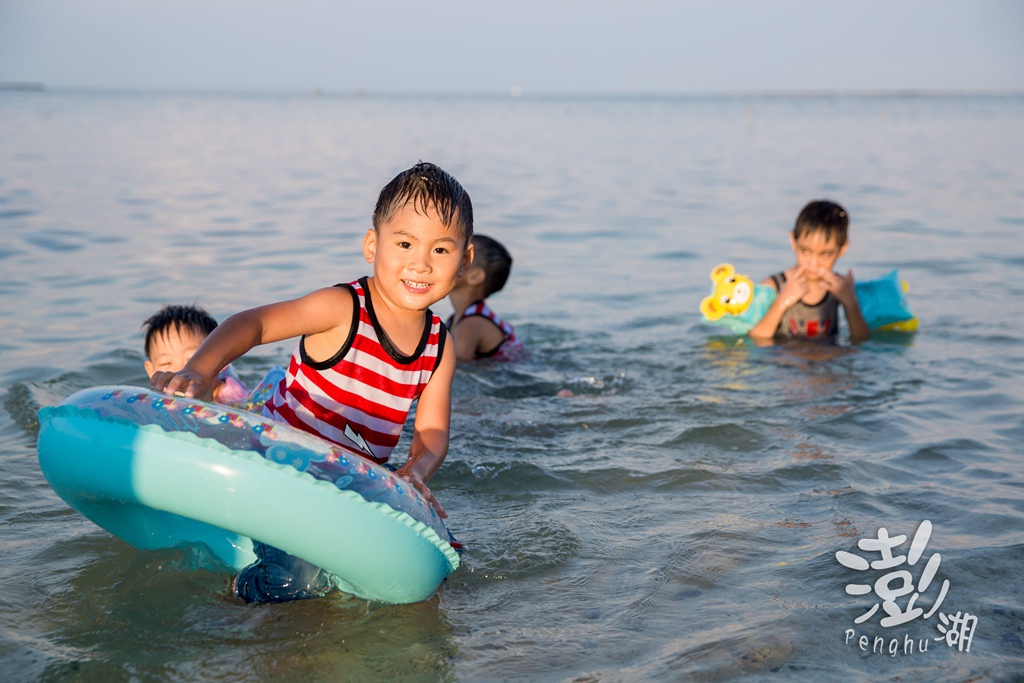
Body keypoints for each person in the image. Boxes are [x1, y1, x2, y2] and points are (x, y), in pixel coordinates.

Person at [150, 162, 474, 604]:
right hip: (279, 463)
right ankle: (232, 599)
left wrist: (414, 472)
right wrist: (201, 369)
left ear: (465, 259)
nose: (420, 262)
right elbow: (255, 323)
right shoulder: (342, 308)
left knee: (442, 567)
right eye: (404, 243)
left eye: (441, 250)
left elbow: (432, 431)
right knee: (293, 582)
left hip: (348, 479)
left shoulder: (440, 345)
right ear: (372, 244)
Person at [749, 200, 870, 341]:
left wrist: (851, 304)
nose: (813, 262)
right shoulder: (774, 285)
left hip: (828, 359)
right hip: (785, 359)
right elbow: (756, 338)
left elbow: (861, 340)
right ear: (793, 241)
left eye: (825, 254)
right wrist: (782, 301)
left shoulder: (839, 288)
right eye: (805, 251)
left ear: (842, 249)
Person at [142, 304, 249, 404]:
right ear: (151, 371)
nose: (179, 371)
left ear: (222, 361)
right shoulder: (153, 399)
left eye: (191, 360)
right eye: (166, 363)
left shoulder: (235, 398)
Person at [446, 234, 526, 362]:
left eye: (460, 255)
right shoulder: (459, 318)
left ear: (475, 276)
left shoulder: (470, 324)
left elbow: (458, 368)